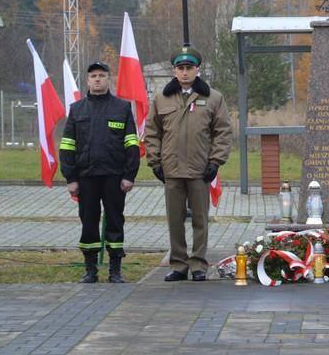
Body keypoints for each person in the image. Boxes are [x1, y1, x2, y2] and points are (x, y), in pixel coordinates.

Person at [145, 45, 233, 282]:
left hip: (199, 169)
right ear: (174, 71)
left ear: (197, 70)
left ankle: (198, 265)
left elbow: (222, 132)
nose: (184, 72)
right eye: (180, 68)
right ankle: (179, 264)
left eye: (189, 68)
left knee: (199, 220)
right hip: (171, 170)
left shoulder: (213, 97)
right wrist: (155, 162)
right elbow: (152, 132)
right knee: (175, 219)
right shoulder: (161, 98)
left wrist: (215, 161)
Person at [59, 61, 140, 283]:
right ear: (87, 80)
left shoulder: (122, 108)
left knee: (115, 221)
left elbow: (132, 145)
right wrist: (71, 178)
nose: (97, 79)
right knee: (88, 222)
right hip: (86, 178)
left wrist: (129, 175)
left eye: (102, 75)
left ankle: (115, 270)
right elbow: (67, 145)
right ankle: (90, 270)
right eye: (93, 75)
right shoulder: (77, 109)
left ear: (108, 79)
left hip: (114, 177)